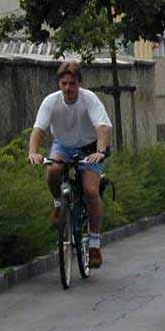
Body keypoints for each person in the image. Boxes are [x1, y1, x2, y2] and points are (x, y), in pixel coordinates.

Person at [28, 62, 112, 268]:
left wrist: (99, 152)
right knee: (53, 171)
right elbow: (39, 130)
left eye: (72, 83)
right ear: (59, 84)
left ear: (79, 83)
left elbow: (102, 128)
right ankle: (59, 204)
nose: (67, 88)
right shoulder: (51, 102)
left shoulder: (89, 99)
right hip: (63, 145)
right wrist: (33, 152)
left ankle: (94, 243)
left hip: (89, 147)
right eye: (63, 83)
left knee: (90, 190)